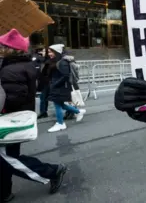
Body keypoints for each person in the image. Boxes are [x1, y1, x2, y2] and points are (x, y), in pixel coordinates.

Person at [0, 29, 67, 202]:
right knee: (8, 156)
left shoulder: (10, 70)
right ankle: (4, 192)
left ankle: (52, 171)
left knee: (7, 158)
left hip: (10, 119)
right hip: (15, 117)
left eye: (2, 46)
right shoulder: (19, 65)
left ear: (9, 49)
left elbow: (12, 99)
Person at [46, 44, 85, 132]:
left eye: (51, 52)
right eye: (48, 52)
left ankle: (60, 123)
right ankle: (78, 112)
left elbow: (65, 76)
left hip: (61, 87)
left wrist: (55, 84)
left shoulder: (62, 62)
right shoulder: (57, 60)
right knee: (60, 105)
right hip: (58, 86)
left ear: (57, 52)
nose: (49, 54)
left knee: (58, 105)